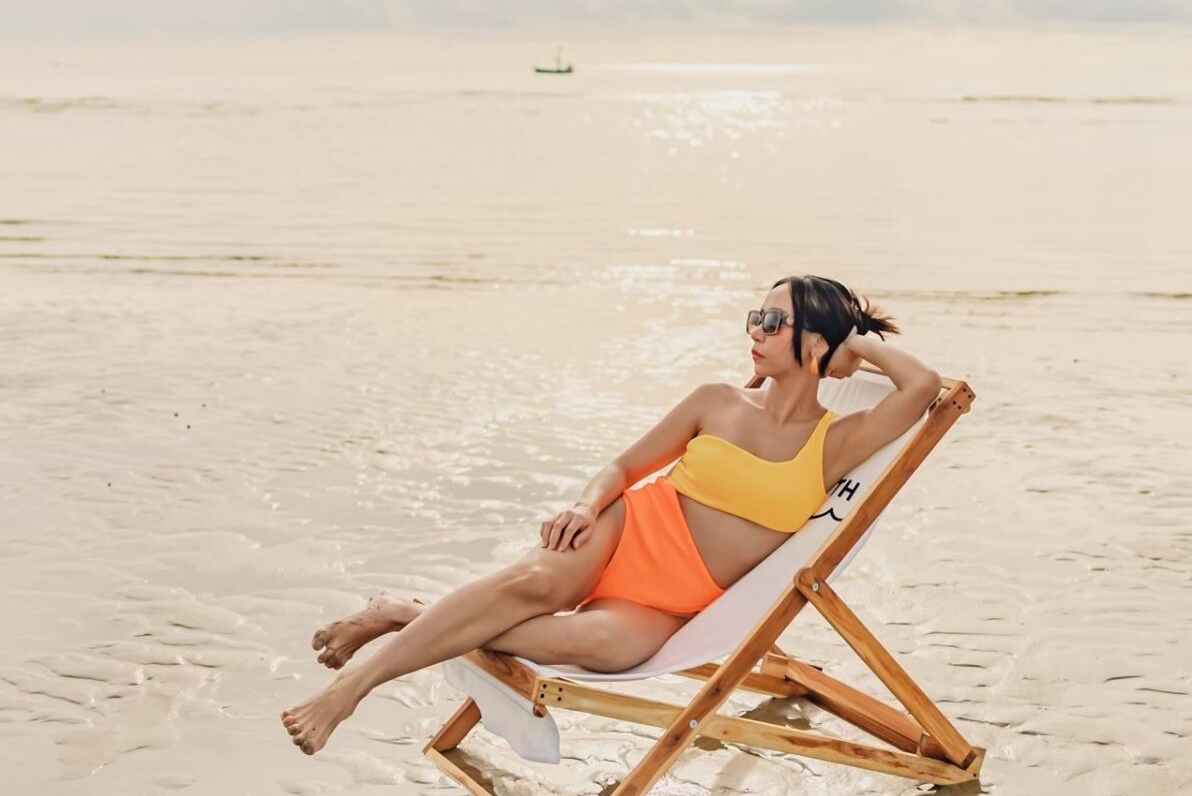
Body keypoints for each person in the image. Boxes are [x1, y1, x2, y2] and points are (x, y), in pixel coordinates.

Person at [282, 274, 941, 754]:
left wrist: (856, 343)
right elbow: (623, 469)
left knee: (602, 649)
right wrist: (585, 504)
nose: (755, 332)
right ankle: (349, 691)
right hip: (624, 532)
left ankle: (406, 612)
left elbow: (923, 388)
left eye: (774, 322)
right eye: (754, 318)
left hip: (672, 602)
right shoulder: (716, 401)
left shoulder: (836, 442)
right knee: (531, 585)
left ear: (816, 341)